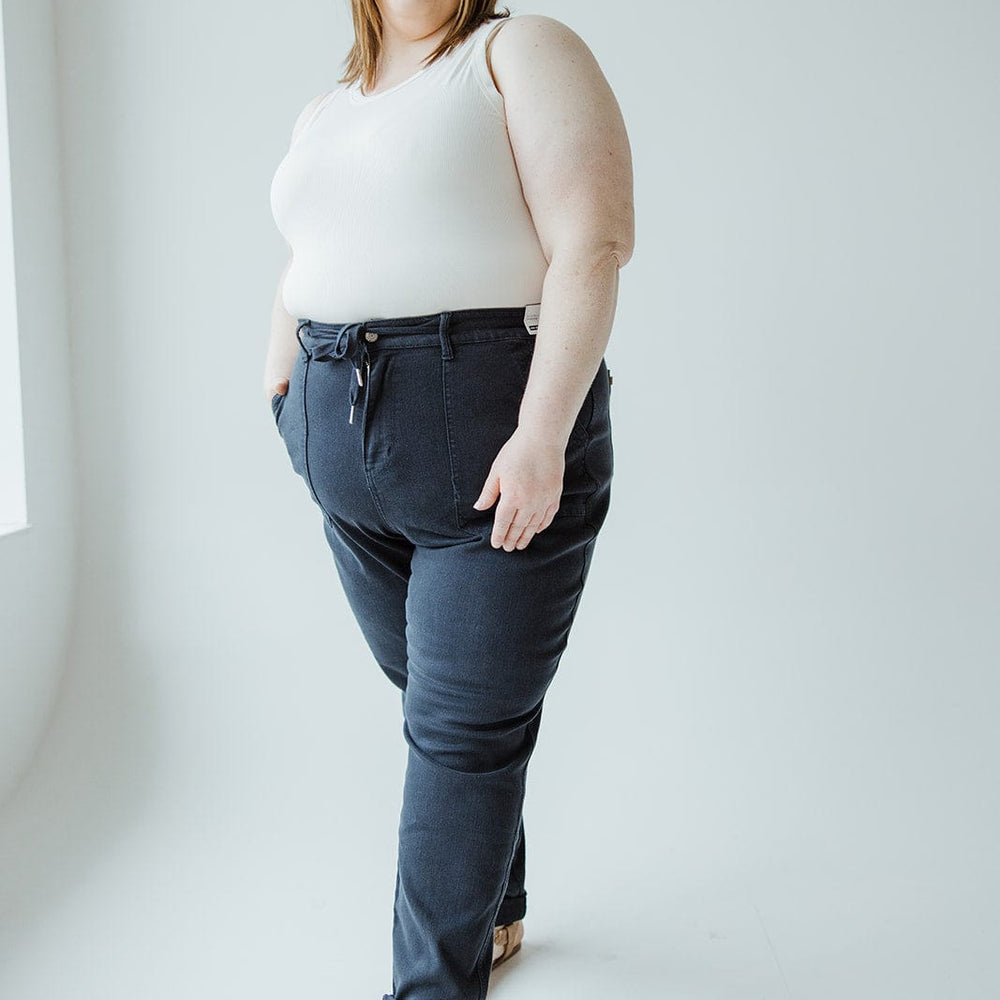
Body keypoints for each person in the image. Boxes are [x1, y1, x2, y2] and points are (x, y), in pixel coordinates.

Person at [264, 2, 633, 997]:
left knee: (461, 731)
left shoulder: (518, 52)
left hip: (493, 436)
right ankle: (498, 899)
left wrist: (542, 432)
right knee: (437, 696)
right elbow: (307, 255)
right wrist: (283, 399)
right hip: (341, 443)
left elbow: (592, 242)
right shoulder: (328, 108)